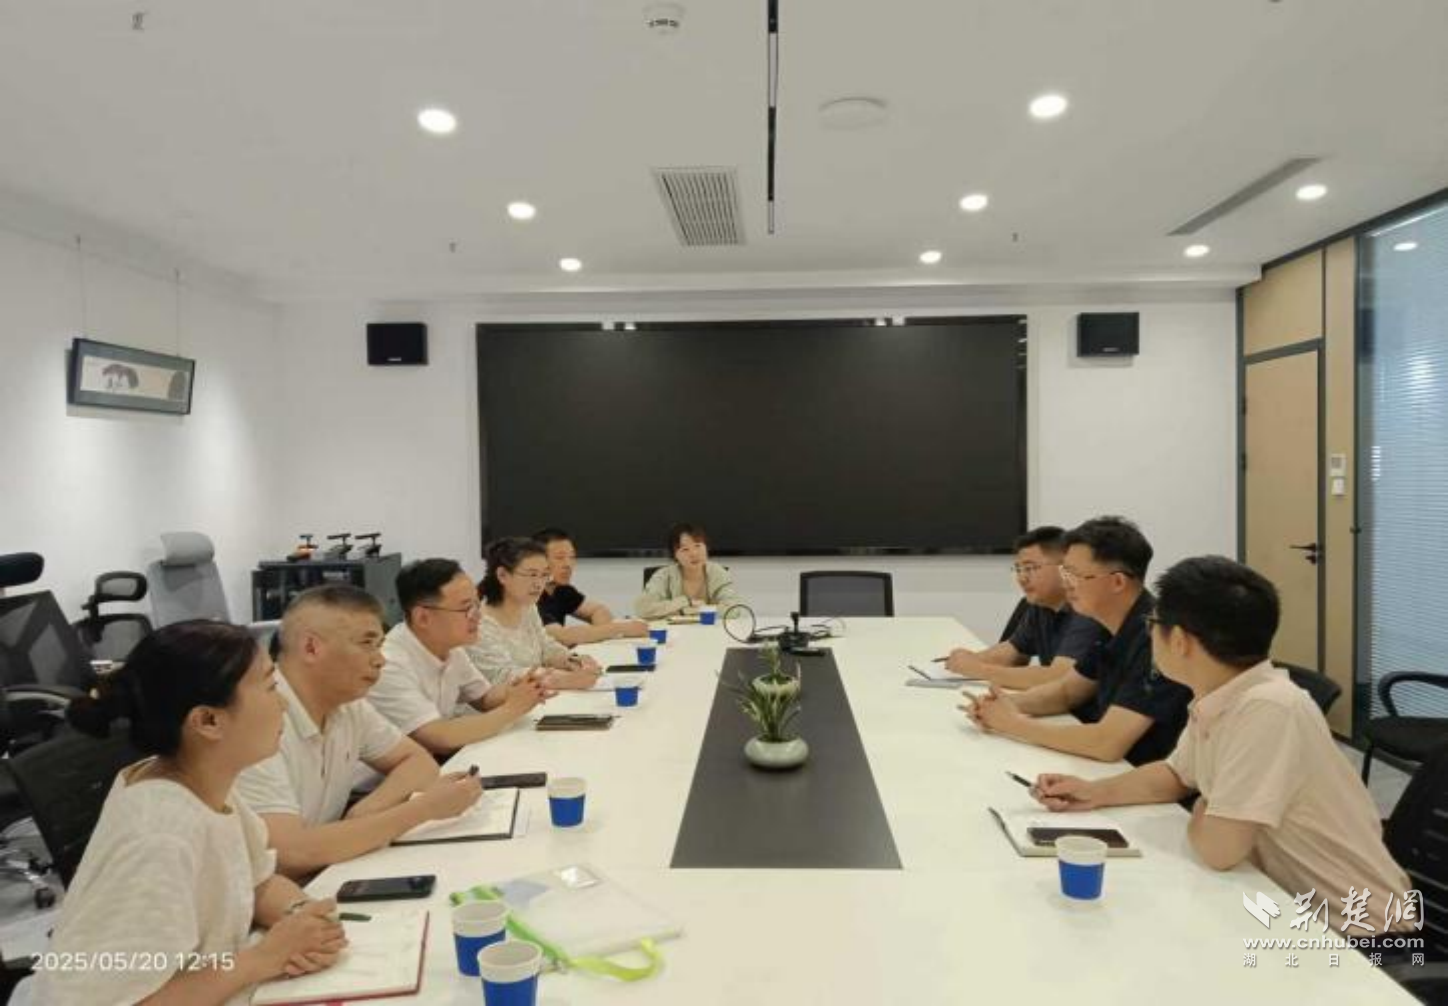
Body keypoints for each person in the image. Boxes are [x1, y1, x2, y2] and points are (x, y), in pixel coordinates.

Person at [1033, 556, 1414, 933]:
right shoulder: (1222, 694)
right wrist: (1094, 792)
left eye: (1153, 624)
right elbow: (1175, 776)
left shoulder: (1269, 708)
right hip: (1278, 905)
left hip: (1358, 936)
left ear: (1179, 640)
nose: (1150, 634)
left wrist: (1206, 802)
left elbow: (1218, 849)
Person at [31, 621, 346, 1005]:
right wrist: (263, 958)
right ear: (208, 721)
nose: (283, 704)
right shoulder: (160, 836)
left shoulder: (204, 782)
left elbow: (255, 880)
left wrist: (302, 917)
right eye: (270, 687)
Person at [236, 585, 485, 878]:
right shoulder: (255, 719)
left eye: (379, 645)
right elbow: (289, 854)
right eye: (367, 643)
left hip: (328, 870)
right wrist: (423, 810)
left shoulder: (347, 704)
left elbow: (419, 762)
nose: (380, 659)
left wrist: (366, 812)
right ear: (311, 648)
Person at [963, 516, 1192, 765]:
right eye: (1064, 572)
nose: (1066, 583)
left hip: (1143, 775)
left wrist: (1013, 724)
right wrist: (1003, 704)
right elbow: (1066, 692)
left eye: (1074, 574)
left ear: (1117, 582)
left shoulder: (1159, 638)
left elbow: (1107, 743)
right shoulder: (1108, 625)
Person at [368, 559, 549, 757]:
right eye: (466, 609)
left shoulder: (450, 646)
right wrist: (512, 709)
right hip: (392, 773)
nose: (478, 616)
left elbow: (484, 698)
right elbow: (440, 737)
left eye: (477, 604)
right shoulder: (389, 664)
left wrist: (519, 690)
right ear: (423, 618)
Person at [943, 525, 1104, 688]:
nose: (1021, 578)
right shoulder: (1041, 605)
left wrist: (979, 669)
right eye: (1018, 569)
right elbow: (1011, 652)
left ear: (1065, 567)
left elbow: (1060, 677)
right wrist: (969, 659)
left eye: (1030, 568)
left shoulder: (1088, 608)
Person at [468, 537, 602, 690]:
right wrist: (563, 680)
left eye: (544, 575)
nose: (539, 584)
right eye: (532, 575)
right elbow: (501, 676)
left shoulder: (528, 608)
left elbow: (546, 647)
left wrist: (571, 660)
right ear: (502, 575)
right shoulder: (478, 623)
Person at [533, 527, 648, 644]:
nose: (568, 564)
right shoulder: (531, 594)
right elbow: (562, 637)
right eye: (560, 558)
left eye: (572, 557)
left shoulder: (562, 590)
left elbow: (598, 610)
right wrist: (619, 629)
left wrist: (602, 635)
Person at [634, 522, 745, 620]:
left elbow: (734, 609)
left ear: (706, 548)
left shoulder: (717, 572)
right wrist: (686, 602)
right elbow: (642, 609)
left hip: (710, 631)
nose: (694, 554)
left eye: (698, 546)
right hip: (673, 633)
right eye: (685, 549)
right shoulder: (664, 575)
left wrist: (686, 611)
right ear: (675, 555)